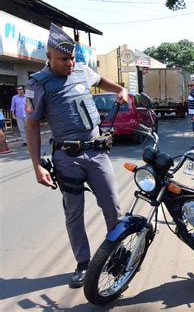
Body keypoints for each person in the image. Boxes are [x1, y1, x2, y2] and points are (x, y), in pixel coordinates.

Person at [25, 23, 129, 288]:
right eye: (63, 59)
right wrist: (37, 166)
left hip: (96, 152)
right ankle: (83, 263)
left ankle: (116, 256)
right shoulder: (38, 84)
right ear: (48, 57)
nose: (70, 63)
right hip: (66, 158)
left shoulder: (82, 70)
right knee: (74, 213)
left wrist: (121, 90)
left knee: (112, 206)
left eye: (72, 57)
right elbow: (32, 126)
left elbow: (102, 80)